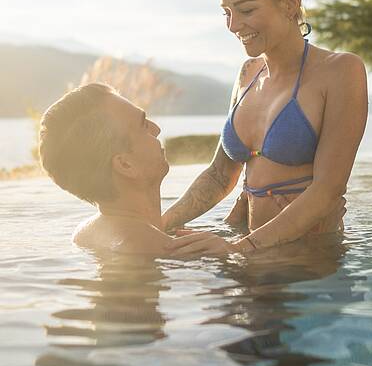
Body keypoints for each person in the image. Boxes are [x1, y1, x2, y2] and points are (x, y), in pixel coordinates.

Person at [161, 0, 367, 257]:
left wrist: (238, 249)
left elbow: (328, 191)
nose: (232, 25)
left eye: (246, 9)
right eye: (226, 12)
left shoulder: (341, 71)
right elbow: (218, 176)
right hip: (251, 249)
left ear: (290, 1)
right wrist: (159, 227)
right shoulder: (247, 73)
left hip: (307, 259)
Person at [38, 83, 242, 256]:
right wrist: (233, 252)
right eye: (144, 125)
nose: (156, 129)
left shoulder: (86, 233)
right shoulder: (157, 248)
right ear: (126, 165)